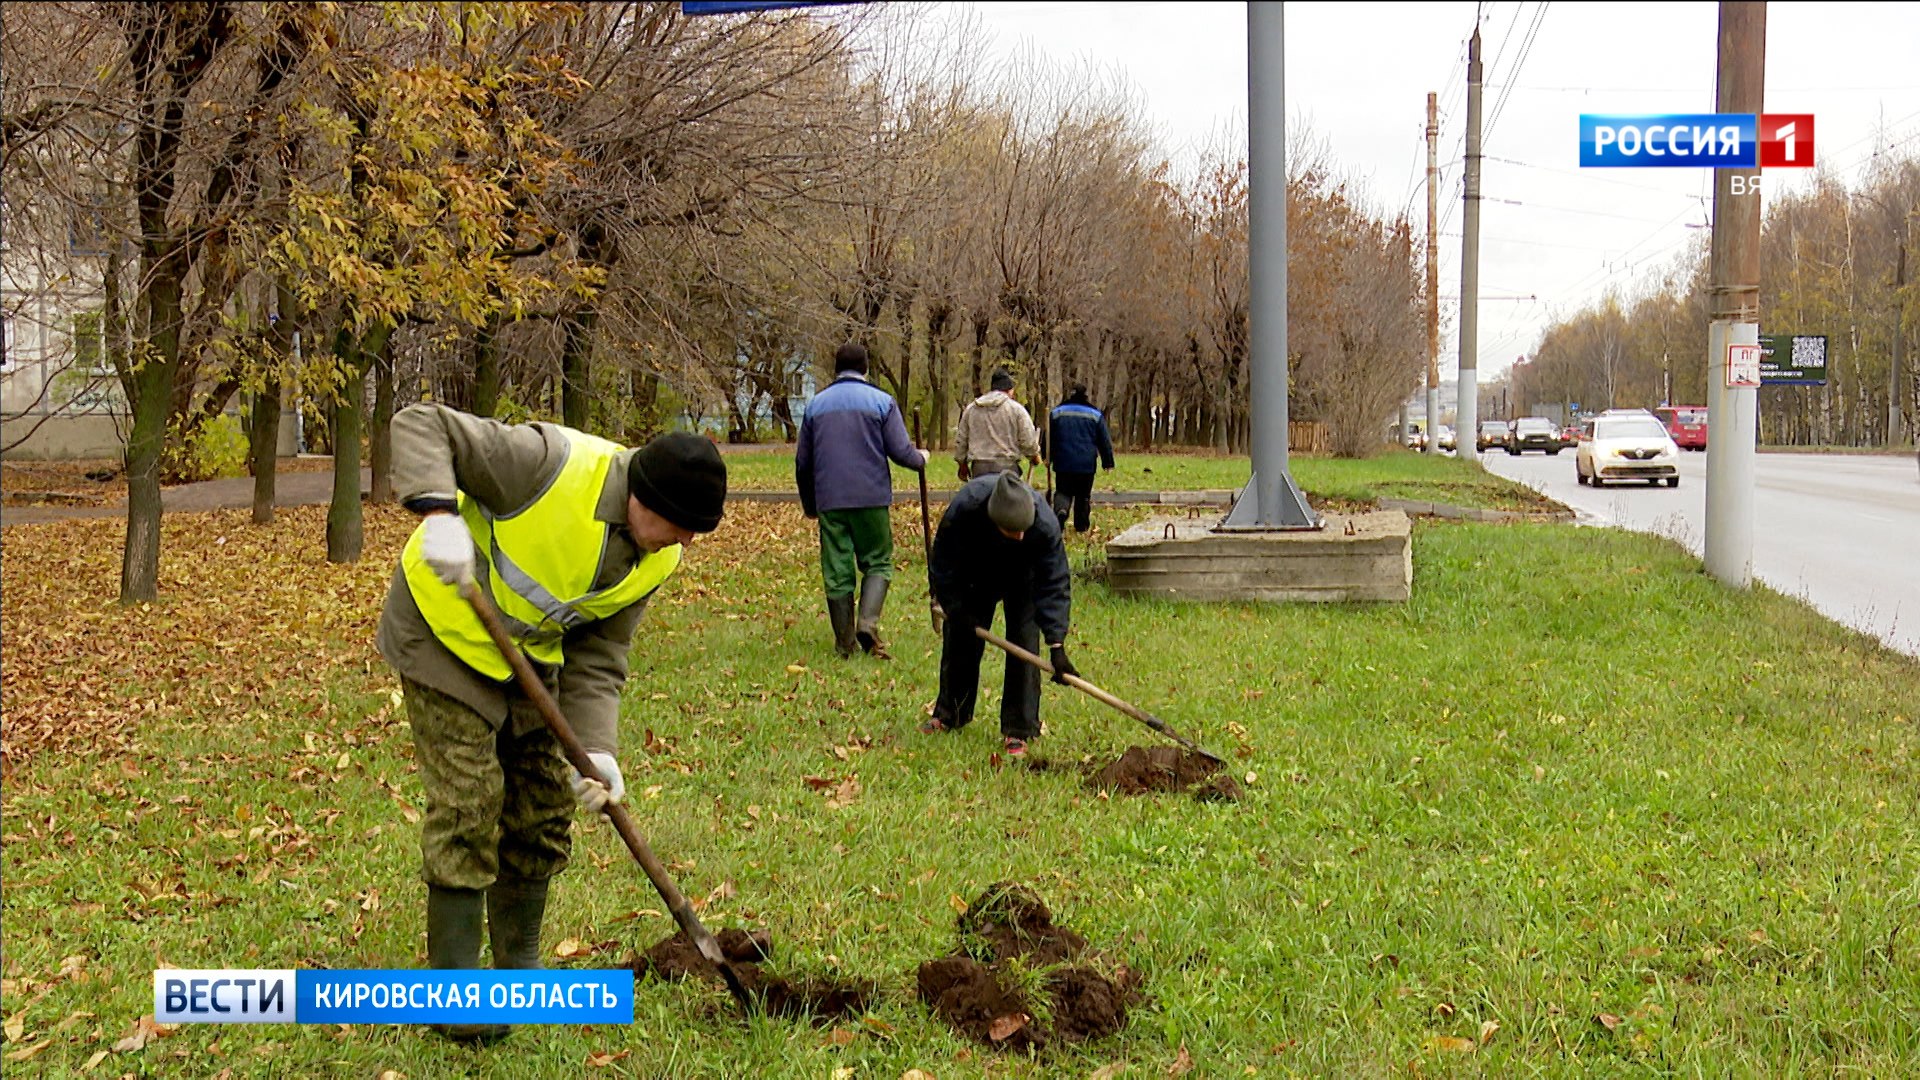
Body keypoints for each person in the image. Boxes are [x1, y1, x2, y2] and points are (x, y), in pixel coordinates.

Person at [376, 404, 726, 1042]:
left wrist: (598, 750)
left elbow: (599, 655)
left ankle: (517, 970)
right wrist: (437, 514)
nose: (685, 544)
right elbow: (422, 423)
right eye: (680, 526)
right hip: (442, 637)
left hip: (529, 669)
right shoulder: (546, 465)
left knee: (541, 811)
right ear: (643, 497)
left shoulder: (658, 558)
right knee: (468, 803)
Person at [921, 471, 1077, 757]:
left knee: (1023, 643)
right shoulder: (966, 507)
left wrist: (1057, 644)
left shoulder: (1044, 525)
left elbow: (1055, 582)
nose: (1020, 536)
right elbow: (943, 560)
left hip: (1024, 577)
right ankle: (949, 713)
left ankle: (1019, 728)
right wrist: (954, 606)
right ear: (994, 520)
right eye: (1012, 530)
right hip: (976, 571)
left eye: (1023, 530)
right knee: (960, 639)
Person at [794, 342, 929, 657]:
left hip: (830, 499)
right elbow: (900, 451)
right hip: (871, 496)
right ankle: (867, 622)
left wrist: (810, 504)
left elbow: (803, 463)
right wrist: (920, 458)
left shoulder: (815, 405)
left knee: (837, 569)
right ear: (866, 368)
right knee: (878, 560)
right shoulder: (882, 402)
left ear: (835, 369)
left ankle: (844, 644)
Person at [1046, 383, 1115, 533]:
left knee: (1063, 491)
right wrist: (1107, 462)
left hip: (1063, 462)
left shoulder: (1057, 413)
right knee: (1083, 496)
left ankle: (1061, 511)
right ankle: (1081, 526)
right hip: (1086, 464)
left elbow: (1049, 437)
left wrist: (1047, 457)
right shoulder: (1095, 415)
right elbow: (1104, 440)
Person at [954, 369, 1041, 482]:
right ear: (1009, 390)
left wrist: (962, 464)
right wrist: (1034, 455)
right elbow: (1027, 440)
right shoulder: (1016, 410)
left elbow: (961, 441)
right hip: (1007, 468)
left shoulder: (972, 409)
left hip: (979, 469)